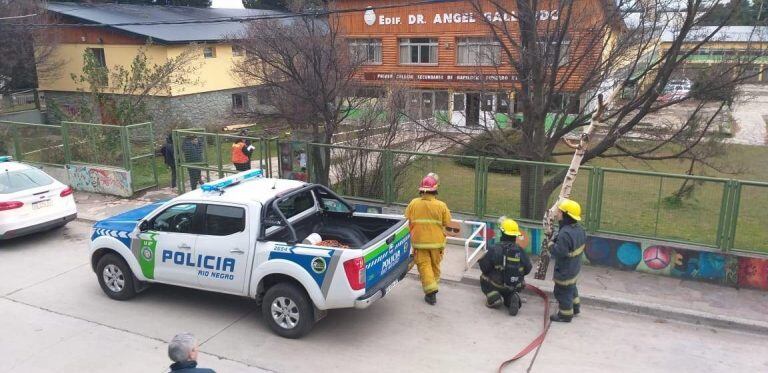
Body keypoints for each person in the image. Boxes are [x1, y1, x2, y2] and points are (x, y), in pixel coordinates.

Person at [404, 172, 452, 305]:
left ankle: (431, 291)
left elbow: (407, 219)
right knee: (435, 265)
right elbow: (447, 223)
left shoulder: (414, 203)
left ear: (421, 189)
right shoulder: (441, 205)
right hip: (437, 243)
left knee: (424, 266)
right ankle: (433, 286)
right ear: (435, 189)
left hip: (419, 242)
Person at [478, 217, 532, 316]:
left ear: (502, 233)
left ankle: (494, 297)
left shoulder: (494, 248)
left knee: (483, 278)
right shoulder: (520, 250)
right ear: (516, 235)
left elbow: (484, 267)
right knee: (510, 292)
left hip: (496, 284)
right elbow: (528, 268)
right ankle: (512, 298)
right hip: (514, 285)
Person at [550, 198, 587, 323]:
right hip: (574, 268)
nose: (557, 214)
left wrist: (550, 245)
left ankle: (565, 314)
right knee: (571, 288)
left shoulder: (565, 233)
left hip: (565, 270)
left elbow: (560, 252)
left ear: (566, 215)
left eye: (560, 212)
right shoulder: (579, 230)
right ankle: (575, 307)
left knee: (561, 292)